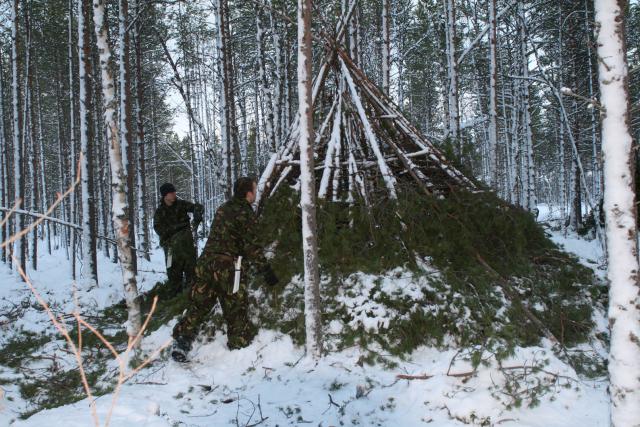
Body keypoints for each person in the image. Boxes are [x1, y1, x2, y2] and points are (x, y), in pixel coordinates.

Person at [171, 177, 279, 362]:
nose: (256, 193)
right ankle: (238, 346)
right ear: (248, 192)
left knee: (199, 305)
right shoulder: (245, 212)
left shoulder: (223, 208)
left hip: (205, 264)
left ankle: (182, 342)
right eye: (254, 190)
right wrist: (266, 270)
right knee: (235, 307)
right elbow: (251, 246)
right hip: (228, 267)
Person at [153, 183, 204, 299]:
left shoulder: (181, 205)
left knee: (191, 273)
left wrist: (197, 215)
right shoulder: (160, 212)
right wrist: (176, 229)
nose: (174, 194)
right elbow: (159, 229)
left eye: (174, 192)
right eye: (171, 193)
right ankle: (174, 302)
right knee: (173, 276)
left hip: (186, 246)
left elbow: (198, 207)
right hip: (171, 249)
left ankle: (190, 298)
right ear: (165, 195)